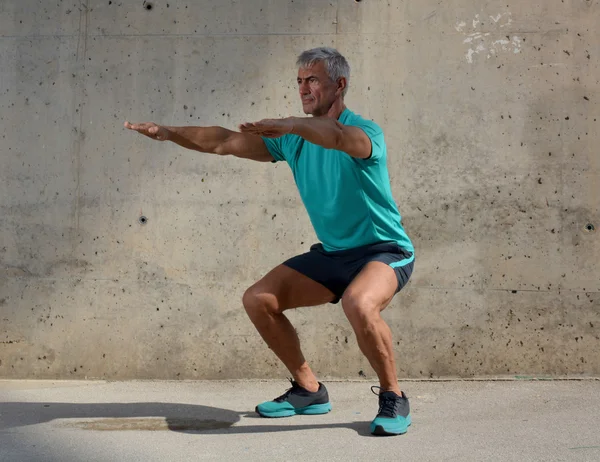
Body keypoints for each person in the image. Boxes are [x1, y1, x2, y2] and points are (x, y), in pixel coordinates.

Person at [125, 47, 415, 436]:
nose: (304, 87)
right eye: (299, 81)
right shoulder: (292, 141)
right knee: (259, 299)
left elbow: (338, 135)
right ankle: (309, 389)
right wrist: (169, 133)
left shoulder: (364, 133)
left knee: (359, 303)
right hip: (334, 254)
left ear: (339, 84)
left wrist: (292, 123)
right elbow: (223, 141)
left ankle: (393, 396)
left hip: (383, 250)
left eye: (312, 79)